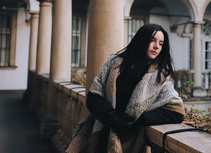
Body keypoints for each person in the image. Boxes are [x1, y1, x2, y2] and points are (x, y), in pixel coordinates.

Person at [66, 24, 185, 153]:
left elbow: (176, 112)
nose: (157, 46)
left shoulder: (160, 77)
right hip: (102, 132)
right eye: (152, 40)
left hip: (131, 140)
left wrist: (140, 119)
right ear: (141, 40)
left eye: (161, 43)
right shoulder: (114, 64)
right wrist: (111, 117)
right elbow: (93, 96)